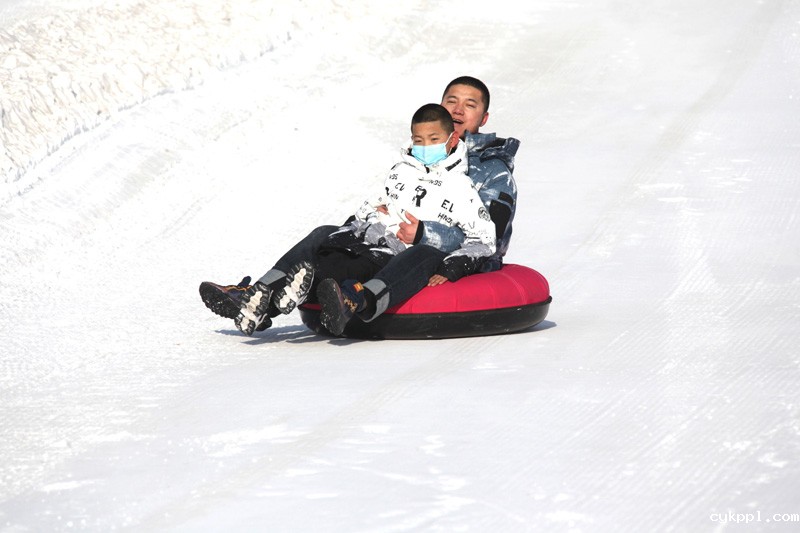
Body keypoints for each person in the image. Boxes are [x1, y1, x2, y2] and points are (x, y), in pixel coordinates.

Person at [199, 76, 519, 334]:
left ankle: (355, 298)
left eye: (470, 104)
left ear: (483, 117)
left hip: (427, 256)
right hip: (386, 243)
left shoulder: (492, 173)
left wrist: (425, 235)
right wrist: (353, 231)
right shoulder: (416, 160)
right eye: (452, 101)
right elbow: (385, 199)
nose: (458, 110)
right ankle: (257, 296)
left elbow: (490, 239)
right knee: (327, 235)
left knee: (398, 254)